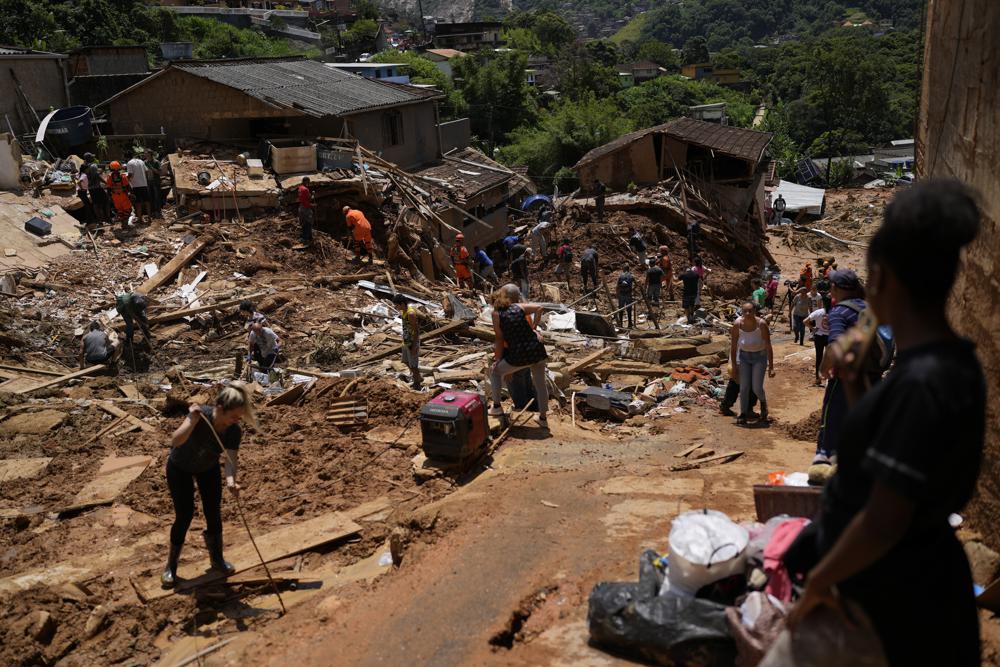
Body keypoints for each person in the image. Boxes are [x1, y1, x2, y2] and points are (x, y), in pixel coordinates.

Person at [782, 180, 984, 667]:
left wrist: (818, 583)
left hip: (891, 603)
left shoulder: (925, 383)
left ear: (883, 281)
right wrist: (853, 382)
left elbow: (885, 519)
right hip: (903, 587)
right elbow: (879, 451)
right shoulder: (943, 366)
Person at [161, 383, 256, 588]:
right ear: (220, 409)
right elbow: (175, 441)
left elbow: (231, 461)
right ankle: (171, 566)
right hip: (180, 468)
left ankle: (217, 559)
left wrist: (231, 481)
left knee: (213, 512)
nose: (236, 421)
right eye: (234, 416)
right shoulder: (200, 415)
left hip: (208, 468)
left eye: (239, 417)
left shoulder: (233, 431)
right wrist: (192, 421)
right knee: (184, 515)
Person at [813, 269, 867, 465]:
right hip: (872, 380)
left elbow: (835, 347)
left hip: (843, 381)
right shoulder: (870, 309)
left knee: (830, 429)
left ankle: (825, 466)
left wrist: (824, 368)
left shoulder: (840, 311)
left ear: (835, 288)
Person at [488, 284, 549, 429]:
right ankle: (543, 418)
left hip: (519, 354)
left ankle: (496, 406)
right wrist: (534, 327)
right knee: (541, 385)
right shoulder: (520, 307)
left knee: (495, 372)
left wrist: (497, 360)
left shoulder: (496, 314)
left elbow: (499, 339)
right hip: (537, 350)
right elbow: (539, 308)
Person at [729, 302, 775, 425]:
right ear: (742, 312)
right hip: (744, 357)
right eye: (745, 311)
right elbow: (733, 347)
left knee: (756, 387)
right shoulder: (738, 325)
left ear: (755, 311)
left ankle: (763, 404)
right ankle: (743, 413)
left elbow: (768, 346)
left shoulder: (761, 324)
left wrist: (771, 366)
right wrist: (734, 366)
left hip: (759, 357)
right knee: (743, 387)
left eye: (750, 311)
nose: (748, 314)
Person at [394, 293, 421, 389]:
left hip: (412, 342)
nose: (396, 307)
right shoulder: (404, 312)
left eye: (397, 305)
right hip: (406, 341)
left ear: (402, 304)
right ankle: (417, 377)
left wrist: (414, 346)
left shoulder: (410, 313)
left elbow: (416, 331)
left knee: (413, 365)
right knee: (405, 361)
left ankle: (417, 382)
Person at [805, 295, 831, 386]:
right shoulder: (835, 312)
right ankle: (829, 379)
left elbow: (805, 321)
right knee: (830, 358)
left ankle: (817, 379)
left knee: (819, 357)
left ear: (823, 302)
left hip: (819, 336)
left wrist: (813, 328)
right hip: (830, 337)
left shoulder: (818, 312)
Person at [83, 154, 110, 225]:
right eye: (92, 157)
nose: (93, 158)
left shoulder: (84, 166)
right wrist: (105, 182)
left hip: (90, 188)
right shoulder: (93, 165)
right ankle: (107, 218)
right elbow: (97, 176)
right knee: (106, 201)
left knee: (96, 204)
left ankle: (100, 220)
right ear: (90, 158)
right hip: (97, 187)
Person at [126, 151, 150, 223]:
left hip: (136, 186)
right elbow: (146, 171)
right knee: (147, 202)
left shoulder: (129, 163)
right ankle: (149, 218)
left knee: (138, 203)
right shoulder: (141, 161)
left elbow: (130, 174)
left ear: (127, 158)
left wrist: (126, 179)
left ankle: (140, 219)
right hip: (144, 184)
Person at [616, 264, 636, 329]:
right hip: (628, 294)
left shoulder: (620, 276)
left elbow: (617, 286)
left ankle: (620, 324)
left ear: (623, 269)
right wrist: (633, 289)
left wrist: (617, 294)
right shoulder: (631, 276)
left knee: (621, 309)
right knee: (629, 309)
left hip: (621, 294)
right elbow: (636, 284)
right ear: (628, 269)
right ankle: (630, 324)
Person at [145, 150, 163, 218]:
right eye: (145, 154)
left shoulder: (156, 162)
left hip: (156, 182)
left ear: (150, 154)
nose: (146, 155)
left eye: (147, 154)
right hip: (148, 182)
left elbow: (160, 172)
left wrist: (152, 168)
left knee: (157, 197)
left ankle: (158, 212)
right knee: (150, 197)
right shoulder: (145, 162)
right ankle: (152, 212)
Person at [295, 178, 313, 244]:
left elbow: (303, 198)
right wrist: (312, 205)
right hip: (306, 208)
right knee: (308, 223)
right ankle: (306, 239)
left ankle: (309, 237)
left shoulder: (300, 188)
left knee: (303, 222)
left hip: (301, 207)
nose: (308, 183)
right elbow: (308, 199)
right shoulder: (305, 189)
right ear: (305, 181)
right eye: (308, 182)